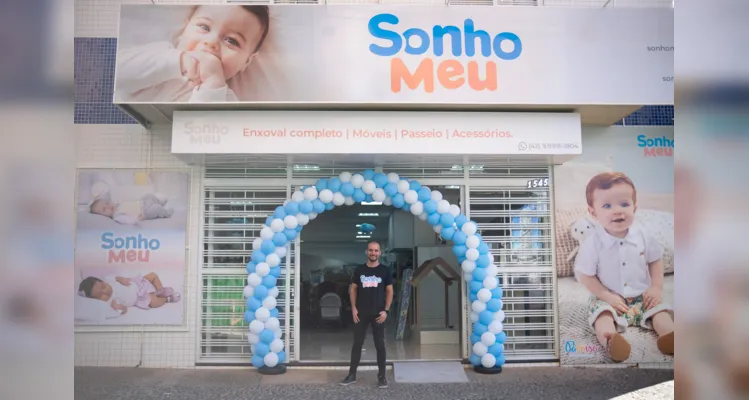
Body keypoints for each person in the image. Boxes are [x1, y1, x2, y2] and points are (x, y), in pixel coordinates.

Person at [574, 172, 675, 362]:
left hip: (642, 295)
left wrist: (656, 287)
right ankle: (611, 341)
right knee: (602, 316)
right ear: (593, 212)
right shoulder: (593, 242)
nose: (617, 210)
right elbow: (585, 275)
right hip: (609, 297)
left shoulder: (643, 235)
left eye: (624, 204)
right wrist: (606, 296)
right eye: (607, 206)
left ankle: (670, 335)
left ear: (635, 208)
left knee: (659, 311)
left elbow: (655, 260)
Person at [114, 5, 270, 102]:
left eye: (232, 41)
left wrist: (213, 81)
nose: (212, 42)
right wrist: (179, 61)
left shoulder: (226, 99)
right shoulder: (160, 54)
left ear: (247, 62)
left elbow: (206, 128)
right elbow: (118, 74)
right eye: (204, 27)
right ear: (185, 27)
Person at [340, 240, 393, 388]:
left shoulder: (385, 270)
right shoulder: (359, 270)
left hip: (378, 314)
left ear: (380, 253)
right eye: (371, 250)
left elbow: (390, 291)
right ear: (366, 252)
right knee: (357, 344)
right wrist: (354, 308)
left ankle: (382, 376)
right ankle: (352, 374)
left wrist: (386, 311)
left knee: (380, 345)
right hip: (361, 313)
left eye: (376, 251)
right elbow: (353, 289)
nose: (373, 253)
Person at [78, 272, 181, 315]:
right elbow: (123, 310)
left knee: (152, 275)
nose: (104, 292)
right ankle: (167, 299)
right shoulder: (111, 302)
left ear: (102, 281)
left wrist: (122, 279)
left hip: (138, 285)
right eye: (100, 296)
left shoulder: (108, 279)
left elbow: (116, 278)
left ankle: (160, 290)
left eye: (103, 287)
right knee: (154, 302)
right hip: (139, 299)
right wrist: (119, 308)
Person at [90, 193, 173, 225]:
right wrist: (136, 219)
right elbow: (127, 220)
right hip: (144, 212)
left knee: (149, 196)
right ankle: (166, 213)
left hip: (142, 202)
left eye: (107, 203)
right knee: (155, 209)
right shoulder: (117, 216)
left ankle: (160, 201)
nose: (108, 206)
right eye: (104, 210)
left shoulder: (117, 204)